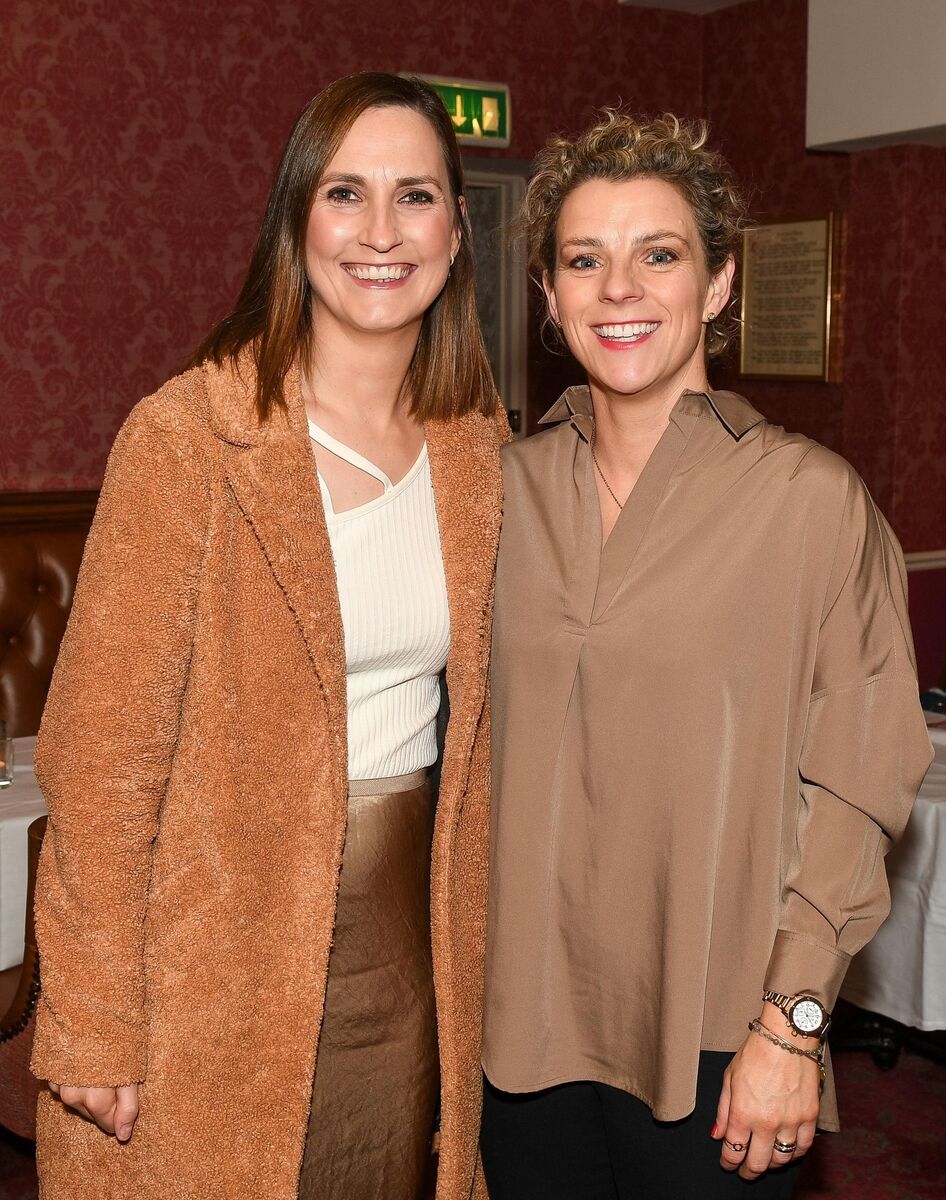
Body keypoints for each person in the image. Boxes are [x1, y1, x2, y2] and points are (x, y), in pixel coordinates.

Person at [30, 71, 507, 1200]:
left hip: (409, 948)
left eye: (416, 196)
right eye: (346, 193)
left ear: (455, 231)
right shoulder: (190, 437)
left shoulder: (480, 452)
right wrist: (95, 1013)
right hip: (216, 939)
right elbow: (100, 756)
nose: (381, 232)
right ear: (297, 222)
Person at [480, 112, 932, 1200]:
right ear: (548, 298)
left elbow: (862, 789)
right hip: (515, 1030)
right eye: (584, 260)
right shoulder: (495, 493)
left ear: (718, 285)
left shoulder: (809, 501)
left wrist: (795, 1027)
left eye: (659, 255)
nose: (618, 289)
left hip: (725, 1035)